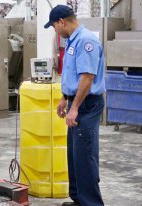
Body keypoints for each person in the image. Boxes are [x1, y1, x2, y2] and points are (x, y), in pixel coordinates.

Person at [44, 5, 105, 206]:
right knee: (75, 156)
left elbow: (87, 77)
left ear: (62, 21)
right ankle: (79, 199)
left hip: (86, 105)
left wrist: (75, 107)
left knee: (85, 157)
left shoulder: (86, 41)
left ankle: (92, 204)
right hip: (76, 101)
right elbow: (73, 75)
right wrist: (65, 98)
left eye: (54, 26)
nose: (55, 31)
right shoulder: (72, 41)